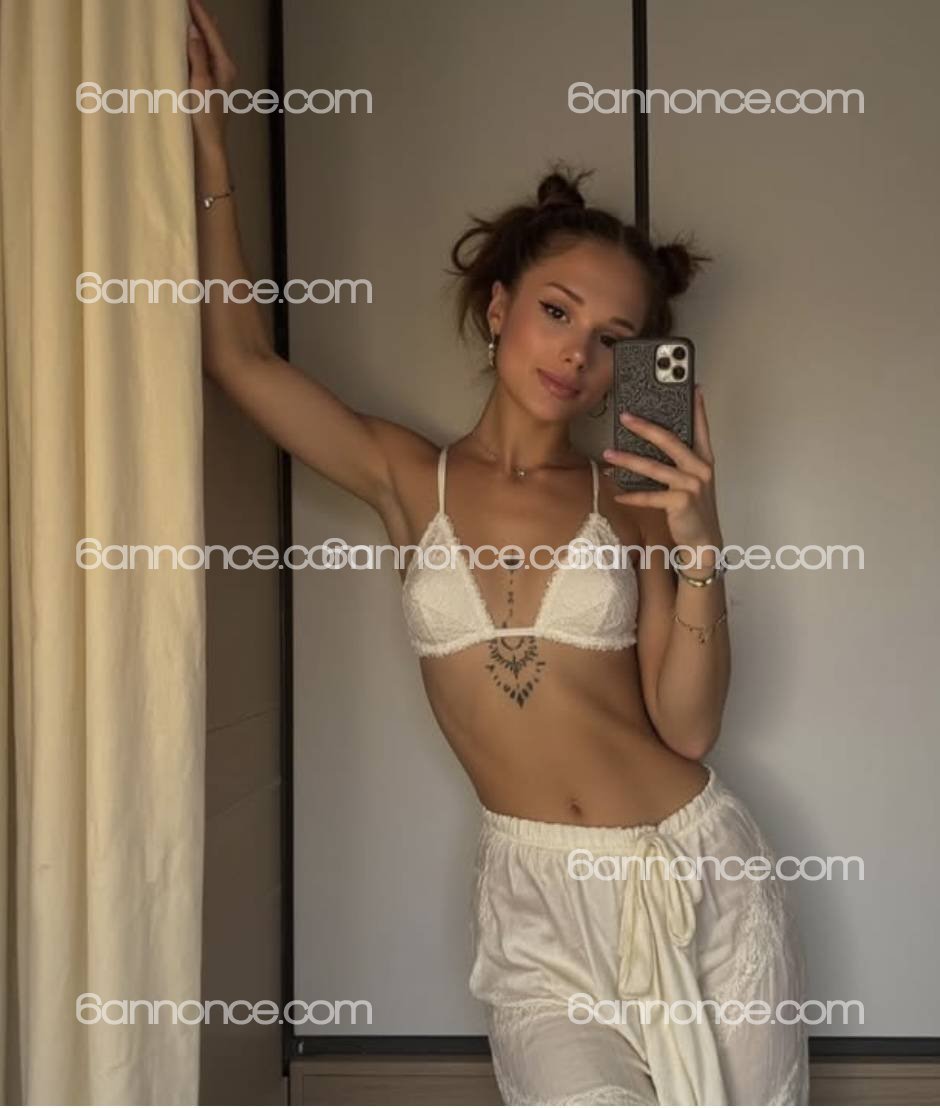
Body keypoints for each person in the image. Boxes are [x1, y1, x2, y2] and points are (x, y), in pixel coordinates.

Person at [187, 0, 810, 1102]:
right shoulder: (406, 475)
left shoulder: (630, 499)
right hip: (535, 911)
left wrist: (700, 545)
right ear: (497, 308)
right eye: (557, 311)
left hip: (697, 871)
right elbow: (241, 362)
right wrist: (210, 143)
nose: (576, 353)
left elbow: (686, 726)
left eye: (612, 339)